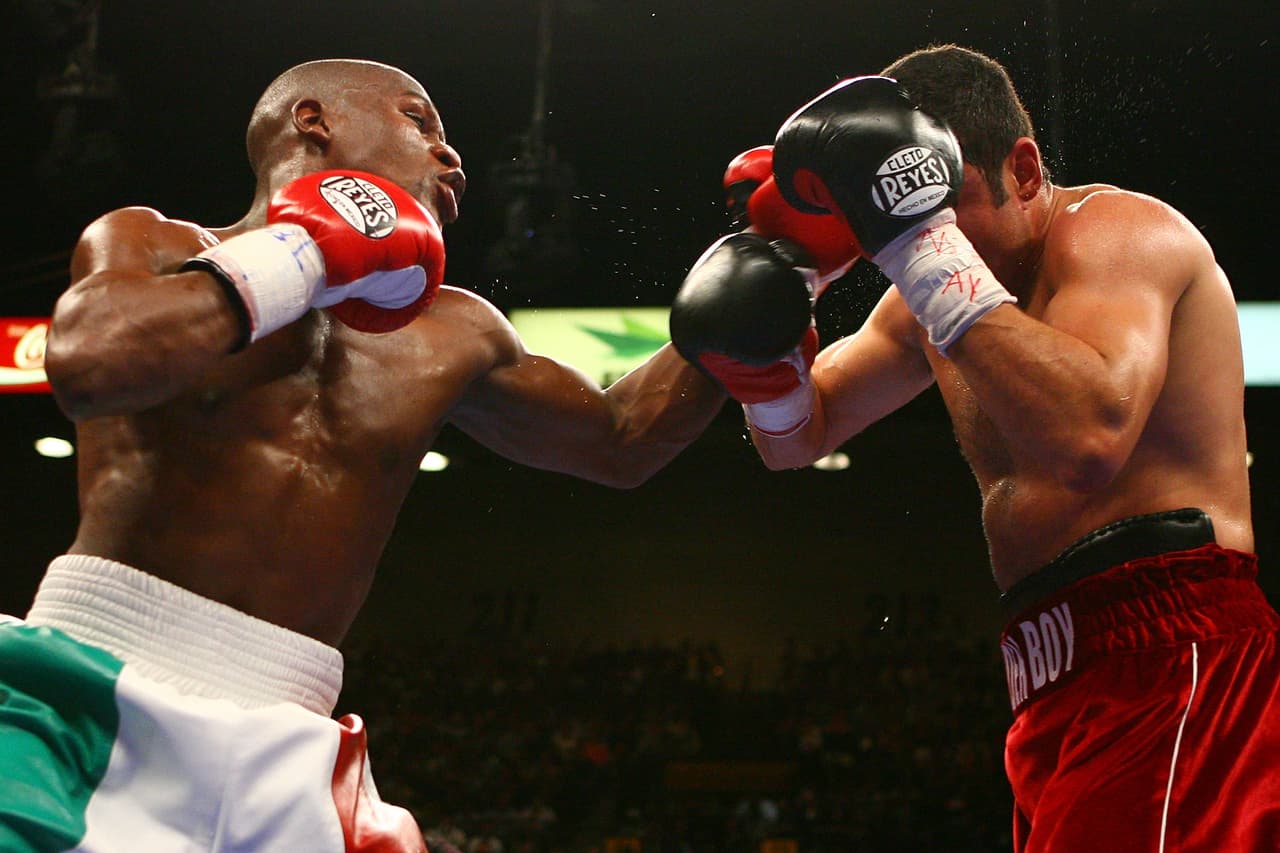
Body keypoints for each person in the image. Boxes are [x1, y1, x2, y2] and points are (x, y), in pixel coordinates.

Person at [0, 58, 725, 852]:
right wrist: (304, 254)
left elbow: (623, 439)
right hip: (91, 690)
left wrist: (772, 268)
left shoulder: (457, 332)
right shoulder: (153, 241)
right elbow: (91, 362)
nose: (452, 158)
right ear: (315, 121)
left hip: (291, 737)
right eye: (421, 122)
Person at [670, 45, 1279, 851]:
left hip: (1174, 649)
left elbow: (1088, 438)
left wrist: (918, 244)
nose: (926, 237)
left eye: (938, 205)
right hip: (1046, 670)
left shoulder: (1120, 234)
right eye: (899, 215)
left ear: (1023, 170)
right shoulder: (924, 297)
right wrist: (777, 338)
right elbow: (796, 439)